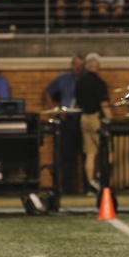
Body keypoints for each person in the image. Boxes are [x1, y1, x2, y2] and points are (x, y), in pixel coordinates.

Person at [44, 54, 86, 194]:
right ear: (71, 65)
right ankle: (67, 188)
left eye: (80, 65)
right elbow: (48, 92)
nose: (77, 68)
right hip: (67, 119)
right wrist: (56, 111)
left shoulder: (87, 79)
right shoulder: (63, 79)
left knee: (85, 154)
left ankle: (86, 187)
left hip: (82, 119)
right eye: (75, 64)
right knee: (66, 155)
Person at [75, 52, 110, 192]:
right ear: (96, 65)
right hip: (96, 118)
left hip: (83, 118)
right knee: (107, 151)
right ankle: (100, 179)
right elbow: (104, 104)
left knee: (90, 153)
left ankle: (90, 185)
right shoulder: (98, 82)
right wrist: (110, 119)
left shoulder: (80, 82)